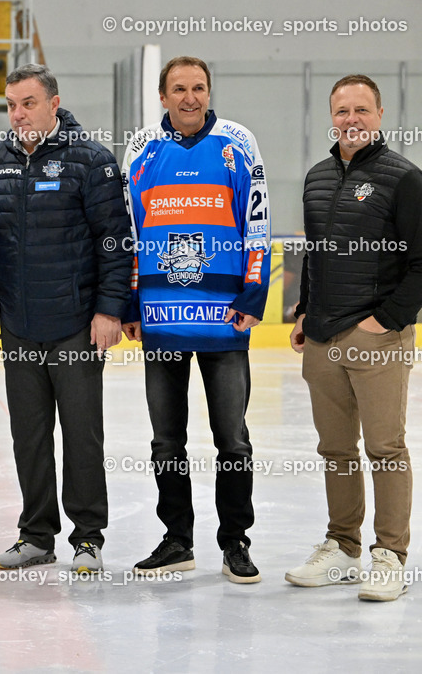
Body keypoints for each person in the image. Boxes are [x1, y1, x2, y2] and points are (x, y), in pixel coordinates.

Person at [0, 64, 132, 573]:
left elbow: (115, 244)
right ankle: (36, 535)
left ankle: (88, 537)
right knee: (29, 435)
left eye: (29, 103)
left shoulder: (93, 161)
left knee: (82, 434)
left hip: (77, 324)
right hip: (19, 324)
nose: (19, 114)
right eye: (12, 105)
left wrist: (109, 310)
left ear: (54, 103)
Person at [120, 56, 271, 584]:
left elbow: (256, 222)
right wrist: (130, 303)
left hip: (223, 320)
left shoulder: (237, 143)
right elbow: (130, 233)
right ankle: (177, 539)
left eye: (199, 88)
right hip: (161, 318)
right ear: (163, 97)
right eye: (179, 89)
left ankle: (235, 542)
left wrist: (254, 293)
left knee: (232, 439)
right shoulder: (141, 149)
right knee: (167, 440)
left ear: (210, 92)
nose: (190, 97)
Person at [286, 74, 422, 601]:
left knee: (385, 448)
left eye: (361, 110)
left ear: (380, 115)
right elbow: (316, 256)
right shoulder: (318, 176)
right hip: (322, 336)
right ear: (331, 116)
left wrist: (385, 321)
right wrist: (303, 312)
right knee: (336, 449)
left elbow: (419, 265)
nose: (351, 119)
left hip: (376, 339)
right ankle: (343, 548)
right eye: (342, 111)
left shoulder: (404, 178)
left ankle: (390, 555)